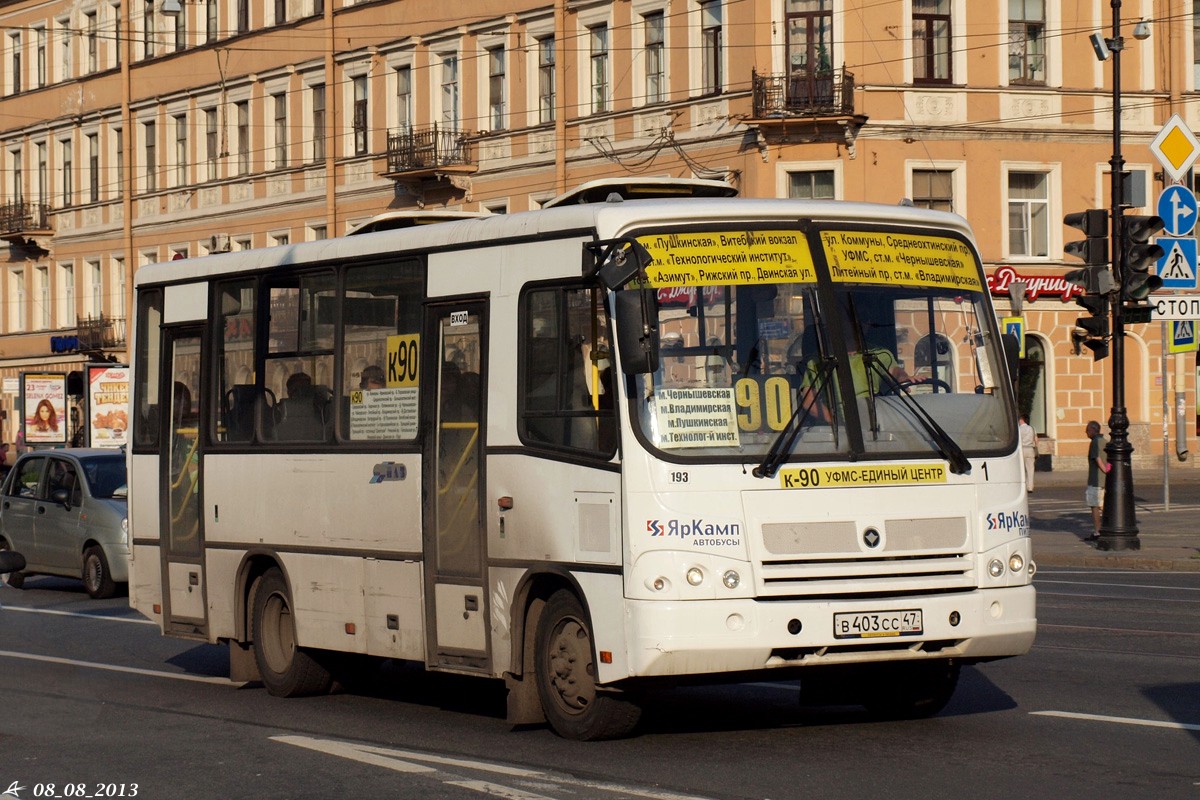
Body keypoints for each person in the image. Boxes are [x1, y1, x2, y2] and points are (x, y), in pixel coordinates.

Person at [1085, 420, 1110, 540]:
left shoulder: (1095, 442)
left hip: (1095, 480)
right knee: (1103, 505)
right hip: (1104, 480)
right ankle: (1106, 527)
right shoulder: (1105, 441)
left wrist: (1104, 470)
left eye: (1087, 430)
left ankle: (1098, 531)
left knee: (1094, 505)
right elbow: (1109, 459)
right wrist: (1108, 472)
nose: (1086, 432)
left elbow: (1097, 458)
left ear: (1094, 430)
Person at [1018, 414, 1037, 493]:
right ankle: (1030, 487)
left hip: (1022, 450)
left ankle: (1023, 486)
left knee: (1021, 469)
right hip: (1030, 449)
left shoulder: (1019, 429)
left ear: (1021, 420)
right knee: (1030, 469)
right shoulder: (1032, 428)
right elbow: (1036, 440)